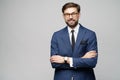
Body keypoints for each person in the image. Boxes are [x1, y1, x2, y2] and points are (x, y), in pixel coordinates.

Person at [50, 2, 98, 80]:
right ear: (63, 16)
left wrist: (65, 60)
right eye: (67, 14)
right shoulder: (56, 36)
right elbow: (54, 63)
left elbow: (92, 62)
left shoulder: (90, 34)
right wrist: (82, 59)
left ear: (79, 14)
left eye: (73, 13)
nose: (70, 17)